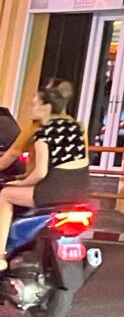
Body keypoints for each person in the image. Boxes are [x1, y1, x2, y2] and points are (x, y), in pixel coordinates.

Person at [0, 79, 91, 269]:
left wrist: (19, 182)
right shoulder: (78, 127)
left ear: (47, 104)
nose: (31, 106)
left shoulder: (40, 130)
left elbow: (25, 160)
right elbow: (82, 160)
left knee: (6, 195)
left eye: (35, 102)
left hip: (51, 187)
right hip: (80, 189)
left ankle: (0, 254)